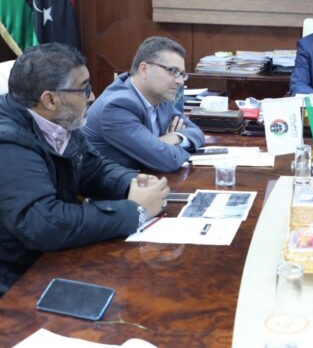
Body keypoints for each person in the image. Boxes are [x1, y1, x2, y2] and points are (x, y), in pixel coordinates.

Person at [0, 44, 169, 295]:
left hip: (51, 258)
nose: (91, 97)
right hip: (16, 279)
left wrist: (133, 182)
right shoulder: (9, 141)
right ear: (50, 99)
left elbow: (95, 169)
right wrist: (135, 211)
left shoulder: (59, 121)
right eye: (84, 88)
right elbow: (42, 223)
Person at [83, 36, 205, 172]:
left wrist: (174, 137)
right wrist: (160, 148)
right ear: (144, 69)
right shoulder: (117, 106)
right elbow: (168, 160)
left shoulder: (160, 97)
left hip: (147, 178)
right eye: (173, 72)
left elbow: (197, 132)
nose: (180, 81)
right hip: (115, 184)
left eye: (182, 74)